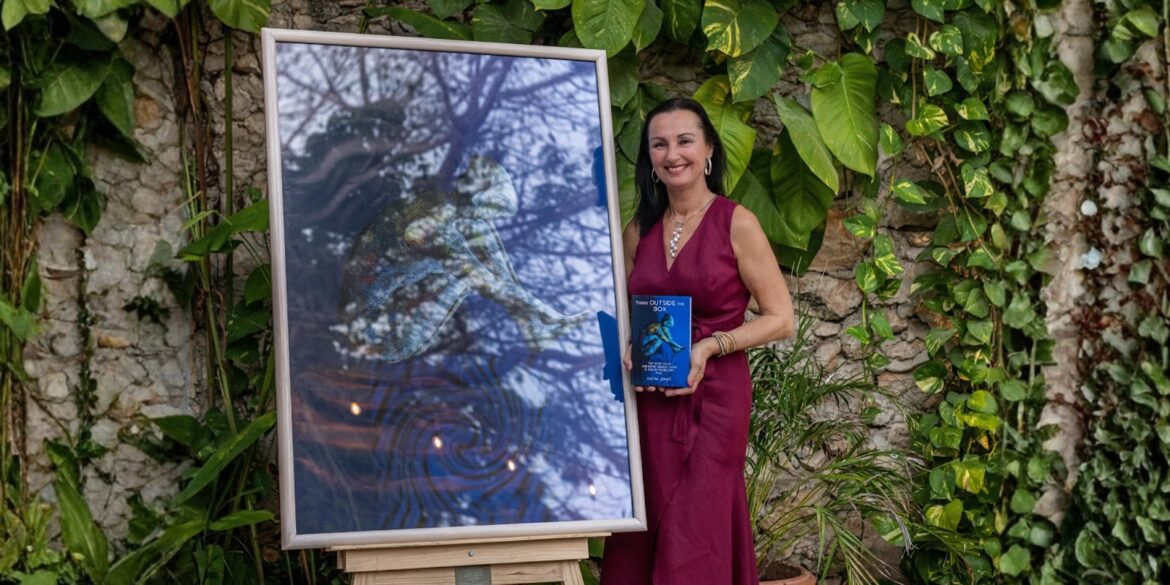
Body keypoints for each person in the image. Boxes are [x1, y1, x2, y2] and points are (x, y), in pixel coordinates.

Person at [601, 97, 795, 584]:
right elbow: (630, 316)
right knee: (643, 526)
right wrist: (630, 345)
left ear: (708, 149)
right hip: (649, 402)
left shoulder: (737, 222)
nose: (673, 154)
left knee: (697, 524)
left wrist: (710, 347)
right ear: (649, 159)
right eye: (659, 145)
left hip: (715, 400)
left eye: (685, 141)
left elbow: (781, 319)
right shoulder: (637, 232)